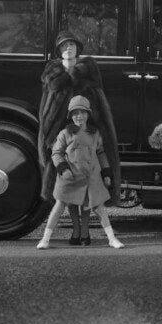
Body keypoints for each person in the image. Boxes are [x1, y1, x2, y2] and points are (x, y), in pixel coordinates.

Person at [37, 29, 121, 245]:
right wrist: (47, 138)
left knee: (87, 194)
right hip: (62, 139)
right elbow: (45, 110)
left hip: (85, 140)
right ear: (59, 51)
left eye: (71, 45)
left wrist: (94, 134)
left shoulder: (89, 74)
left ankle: (84, 233)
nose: (68, 49)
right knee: (66, 195)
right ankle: (61, 235)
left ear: (78, 49)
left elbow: (100, 108)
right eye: (64, 46)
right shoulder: (52, 76)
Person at [37, 96, 124, 249]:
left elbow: (101, 152)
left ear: (88, 114)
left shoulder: (94, 133)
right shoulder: (65, 133)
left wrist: (106, 173)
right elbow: (56, 153)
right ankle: (45, 239)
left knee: (97, 207)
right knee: (60, 205)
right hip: (69, 177)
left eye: (82, 112)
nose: (79, 116)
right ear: (70, 116)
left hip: (91, 177)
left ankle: (111, 238)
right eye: (75, 113)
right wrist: (63, 169)